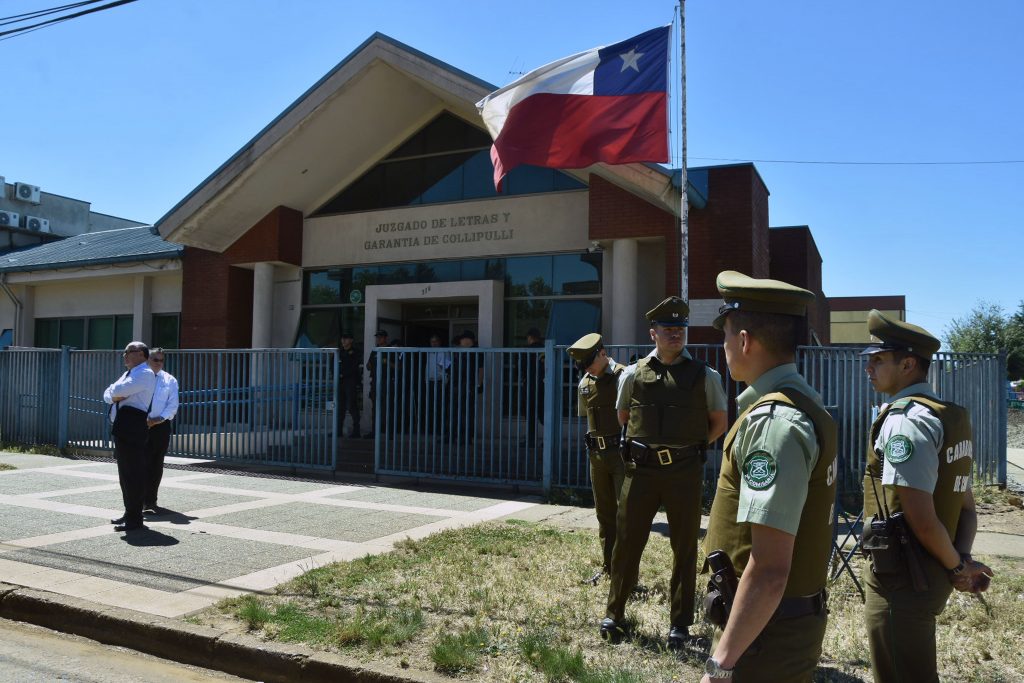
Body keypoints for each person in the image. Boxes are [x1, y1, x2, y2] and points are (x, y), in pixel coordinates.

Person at [701, 271, 837, 683]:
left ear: (744, 340)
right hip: (768, 626)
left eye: (725, 335)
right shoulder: (804, 404)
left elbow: (770, 568)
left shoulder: (774, 423)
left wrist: (720, 668)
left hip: (764, 637)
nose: (723, 347)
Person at [859, 309, 993, 683]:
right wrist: (960, 560)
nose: (869, 368)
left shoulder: (906, 422)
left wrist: (957, 568)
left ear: (908, 365)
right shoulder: (948, 416)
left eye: (878, 360)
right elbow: (966, 506)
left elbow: (921, 517)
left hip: (903, 578)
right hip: (931, 570)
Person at [602, 296, 728, 649]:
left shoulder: (706, 375)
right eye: (668, 329)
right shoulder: (632, 373)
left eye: (680, 329)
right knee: (626, 544)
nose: (676, 334)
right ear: (653, 333)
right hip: (640, 472)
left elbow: (719, 422)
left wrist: (684, 447)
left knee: (685, 548)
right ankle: (615, 613)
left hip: (684, 472)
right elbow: (624, 416)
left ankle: (680, 624)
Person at [568, 333, 624, 585]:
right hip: (597, 456)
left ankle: (626, 572)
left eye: (590, 361)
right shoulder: (585, 383)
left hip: (622, 455)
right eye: (584, 365)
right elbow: (587, 420)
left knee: (626, 516)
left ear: (603, 353)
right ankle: (609, 568)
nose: (588, 368)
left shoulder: (624, 377)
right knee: (605, 515)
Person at [103, 341, 157, 532]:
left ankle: (135, 520)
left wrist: (116, 394)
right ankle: (129, 512)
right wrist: (115, 395)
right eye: (124, 352)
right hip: (123, 425)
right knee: (124, 474)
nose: (125, 355)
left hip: (133, 424)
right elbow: (108, 393)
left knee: (133, 473)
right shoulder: (129, 373)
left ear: (142, 354)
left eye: (129, 352)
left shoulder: (144, 373)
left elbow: (116, 391)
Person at [144, 348, 178, 515]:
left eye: (161, 360)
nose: (158, 363)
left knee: (156, 464)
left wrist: (157, 420)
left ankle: (151, 500)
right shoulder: (139, 376)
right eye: (155, 359)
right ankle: (138, 500)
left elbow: (172, 405)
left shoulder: (169, 380)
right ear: (147, 360)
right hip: (140, 426)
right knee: (139, 463)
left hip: (160, 426)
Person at [451, 330, 483, 451]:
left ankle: (466, 437)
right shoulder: (461, 351)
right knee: (456, 411)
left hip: (468, 385)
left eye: (462, 339)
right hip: (458, 385)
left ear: (468, 340)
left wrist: (478, 385)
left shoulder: (476, 351)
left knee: (466, 413)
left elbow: (481, 369)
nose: (460, 342)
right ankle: (453, 435)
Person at [423, 333, 451, 437]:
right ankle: (431, 429)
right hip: (430, 382)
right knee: (431, 407)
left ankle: (441, 429)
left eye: (436, 341)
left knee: (440, 407)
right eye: (432, 342)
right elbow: (427, 367)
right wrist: (426, 380)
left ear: (439, 342)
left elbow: (447, 366)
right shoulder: (429, 352)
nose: (434, 344)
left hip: (440, 383)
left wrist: (445, 382)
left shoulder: (443, 352)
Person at [338, 332, 363, 438]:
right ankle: (338, 430)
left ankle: (356, 431)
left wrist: (343, 373)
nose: (343, 340)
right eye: (342, 338)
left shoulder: (355, 352)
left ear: (351, 340)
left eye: (346, 338)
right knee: (340, 407)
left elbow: (354, 366)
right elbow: (332, 364)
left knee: (352, 406)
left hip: (351, 381)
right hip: (340, 381)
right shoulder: (339, 352)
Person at [523, 327, 545, 445]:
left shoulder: (527, 350)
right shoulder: (545, 350)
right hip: (544, 384)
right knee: (543, 412)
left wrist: (523, 379)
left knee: (531, 413)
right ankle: (548, 438)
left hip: (530, 384)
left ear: (530, 338)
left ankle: (531, 440)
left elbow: (520, 367)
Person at [365, 329, 389, 438]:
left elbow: (398, 367)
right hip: (375, 381)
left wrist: (386, 362)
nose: (378, 339)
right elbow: (368, 365)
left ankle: (388, 431)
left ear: (385, 338)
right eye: (377, 337)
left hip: (386, 381)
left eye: (380, 337)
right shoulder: (374, 350)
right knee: (375, 407)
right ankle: (375, 431)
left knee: (387, 407)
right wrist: (369, 365)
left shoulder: (390, 350)